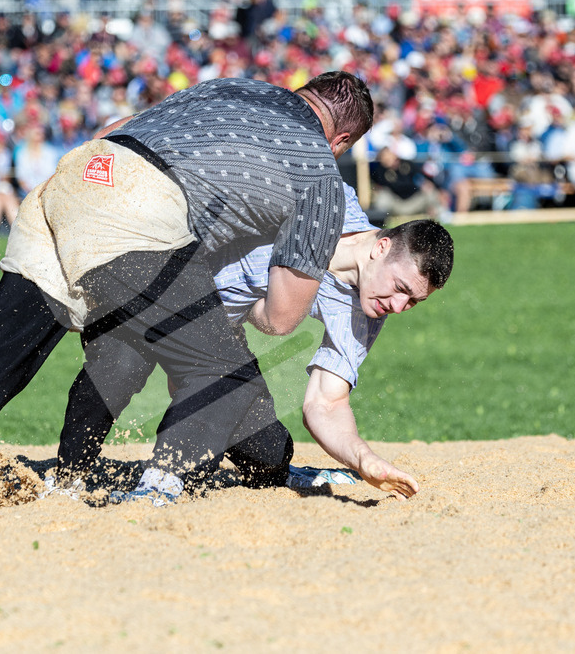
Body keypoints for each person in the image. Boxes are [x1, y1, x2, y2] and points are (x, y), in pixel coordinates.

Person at [0, 72, 375, 512]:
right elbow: (278, 320)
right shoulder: (320, 178)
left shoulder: (227, 88)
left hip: (77, 177)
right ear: (342, 138)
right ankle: (252, 475)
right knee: (227, 375)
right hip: (137, 216)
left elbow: (112, 132)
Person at [54, 185, 452, 503]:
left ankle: (263, 469)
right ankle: (67, 481)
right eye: (401, 288)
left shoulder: (366, 312)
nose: (399, 306)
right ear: (381, 248)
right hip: (160, 287)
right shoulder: (327, 195)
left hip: (214, 338)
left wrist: (362, 457)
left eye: (414, 301)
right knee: (115, 373)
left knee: (270, 453)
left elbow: (326, 402)